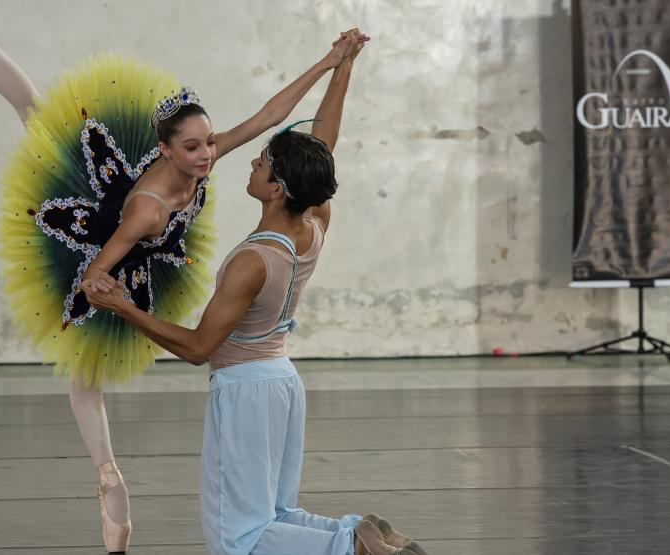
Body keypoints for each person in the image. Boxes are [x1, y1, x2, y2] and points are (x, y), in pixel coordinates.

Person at [0, 1, 366, 552]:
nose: (209, 156)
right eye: (193, 148)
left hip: (153, 240)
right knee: (36, 114)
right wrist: (106, 294)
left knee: (38, 113)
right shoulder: (149, 211)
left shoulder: (204, 158)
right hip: (110, 232)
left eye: (209, 143)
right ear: (166, 149)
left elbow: (269, 116)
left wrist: (329, 62)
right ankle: (108, 476)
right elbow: (99, 266)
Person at [82, 31, 427, 555]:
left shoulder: (252, 261)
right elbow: (322, 147)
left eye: (261, 164)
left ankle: (351, 547)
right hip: (283, 382)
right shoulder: (315, 219)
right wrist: (342, 67)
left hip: (245, 389)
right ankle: (358, 531)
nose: (249, 163)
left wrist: (123, 307)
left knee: (237, 538)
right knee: (273, 515)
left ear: (276, 188)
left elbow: (198, 348)